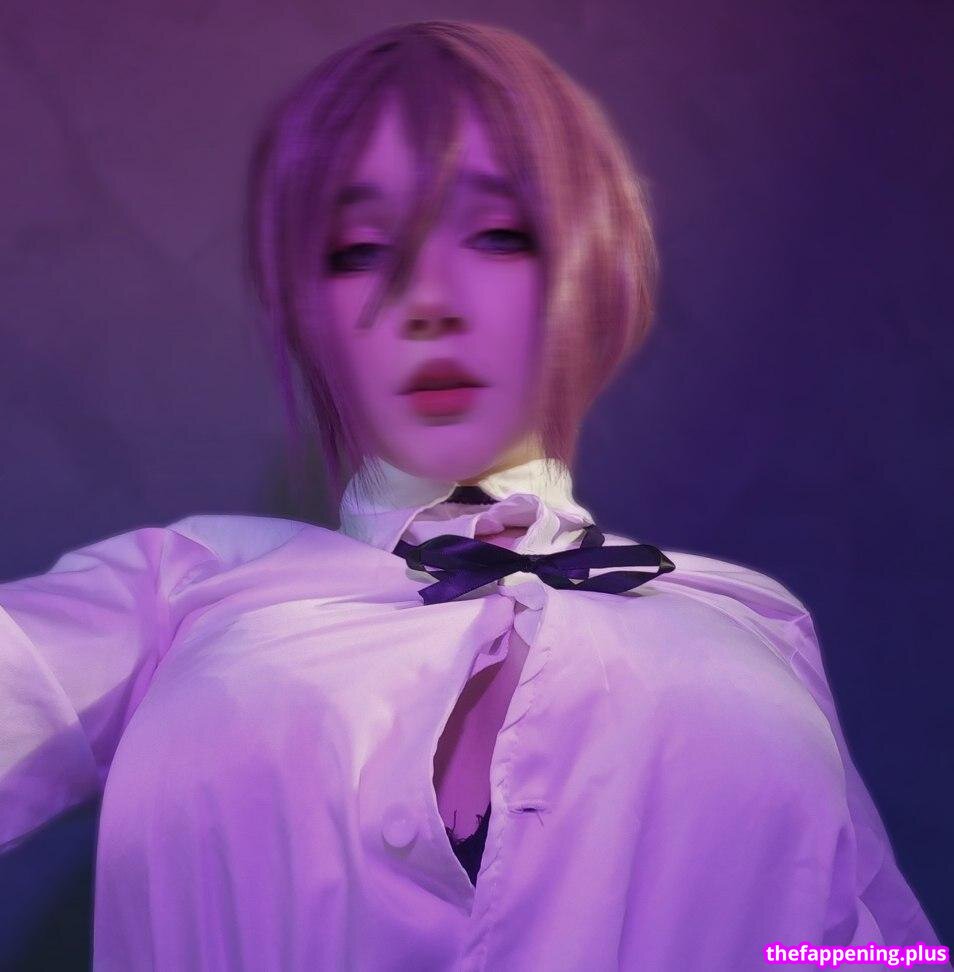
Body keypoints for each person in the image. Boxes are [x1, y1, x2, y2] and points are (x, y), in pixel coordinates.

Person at [0, 19, 943, 972]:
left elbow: (857, 950)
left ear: (593, 263)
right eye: (359, 251)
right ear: (302, 308)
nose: (431, 300)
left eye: (499, 235)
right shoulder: (185, 589)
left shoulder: (749, 623)